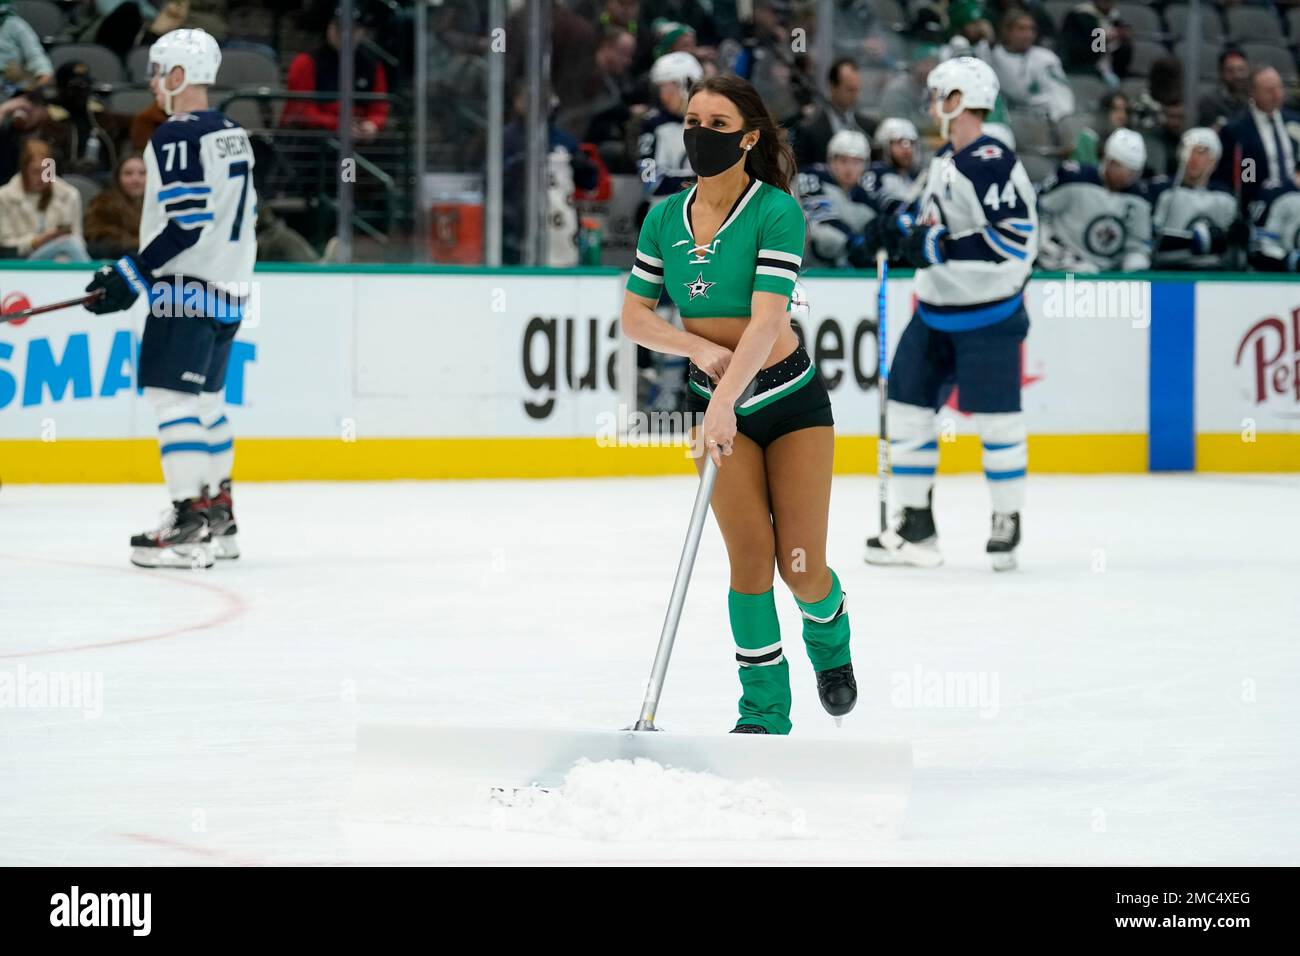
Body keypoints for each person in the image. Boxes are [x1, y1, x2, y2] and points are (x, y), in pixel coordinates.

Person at [620, 74, 855, 734]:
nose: (699, 134)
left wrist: (725, 401)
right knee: (750, 563)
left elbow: (764, 321)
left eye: (718, 125)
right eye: (693, 120)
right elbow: (635, 317)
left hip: (786, 402)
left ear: (749, 138)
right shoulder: (665, 216)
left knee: (801, 569)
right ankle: (764, 715)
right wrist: (693, 351)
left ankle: (831, 641)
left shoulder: (775, 210)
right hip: (713, 401)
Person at [81, 29, 257, 569]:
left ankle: (186, 523)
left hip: (188, 287)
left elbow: (187, 220)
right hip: (232, 289)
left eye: (159, 72)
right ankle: (219, 513)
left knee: (170, 399)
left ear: (178, 75)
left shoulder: (176, 134)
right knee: (206, 402)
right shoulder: (235, 133)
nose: (154, 83)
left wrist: (132, 272)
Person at [866, 57, 1038, 571]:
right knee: (907, 409)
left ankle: (1007, 518)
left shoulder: (990, 159)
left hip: (987, 316)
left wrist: (938, 247)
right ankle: (916, 524)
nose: (934, 102)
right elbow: (927, 221)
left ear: (961, 98)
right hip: (934, 311)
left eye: (942, 93)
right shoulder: (947, 157)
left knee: (997, 422)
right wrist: (894, 227)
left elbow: (1014, 237)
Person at [1037, 128, 1152, 272]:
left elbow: (1138, 243)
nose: (1129, 177)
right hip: (1065, 263)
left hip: (1108, 270)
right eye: (1124, 169)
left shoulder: (1139, 197)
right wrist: (1050, 244)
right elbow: (1038, 210)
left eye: (1134, 172)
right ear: (1109, 160)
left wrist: (1135, 259)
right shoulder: (1073, 177)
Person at [283, 7, 390, 142]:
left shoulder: (372, 65)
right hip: (313, 140)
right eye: (338, 28)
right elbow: (301, 110)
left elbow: (379, 108)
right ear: (330, 28)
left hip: (359, 139)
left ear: (363, 33)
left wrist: (372, 124)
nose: (344, 35)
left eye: (352, 30)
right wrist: (336, 125)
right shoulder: (306, 62)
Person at [1149, 128, 1240, 271]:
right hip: (1170, 270)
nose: (1193, 157)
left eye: (1201, 151)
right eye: (1188, 150)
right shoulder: (1162, 190)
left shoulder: (1225, 197)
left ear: (1214, 161)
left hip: (1214, 273)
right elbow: (1151, 239)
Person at [1213, 67, 1300, 212]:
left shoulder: (1295, 121)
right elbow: (1246, 179)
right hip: (1261, 202)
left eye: (1279, 87)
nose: (1277, 95)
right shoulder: (1237, 129)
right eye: (1269, 90)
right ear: (1252, 93)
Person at [796, 128, 880, 268]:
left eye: (856, 162)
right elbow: (823, 222)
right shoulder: (812, 177)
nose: (849, 168)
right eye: (843, 160)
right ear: (831, 160)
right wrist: (853, 242)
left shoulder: (863, 194)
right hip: (806, 268)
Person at [0, 139, 91, 261]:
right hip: (20, 261)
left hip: (59, 260)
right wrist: (37, 241)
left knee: (70, 243)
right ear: (24, 170)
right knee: (68, 243)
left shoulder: (68, 194)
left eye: (47, 171)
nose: (43, 177)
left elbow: (78, 239)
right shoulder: (4, 197)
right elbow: (5, 244)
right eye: (36, 171)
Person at [988, 9, 1074, 122]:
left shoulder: (1045, 58)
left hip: (1041, 121)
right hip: (1003, 120)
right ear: (1006, 31)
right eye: (1021, 29)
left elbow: (1061, 95)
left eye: (1031, 29)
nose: (1028, 34)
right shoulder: (991, 55)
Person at [638, 50, 700, 204]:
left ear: (687, 85)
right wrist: (697, 182)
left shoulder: (714, 124)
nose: (662, 96)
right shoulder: (653, 124)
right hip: (666, 213)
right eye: (660, 89)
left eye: (667, 89)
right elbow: (650, 180)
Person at [793, 58, 878, 168]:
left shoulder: (869, 128)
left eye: (857, 89)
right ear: (832, 86)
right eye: (849, 89)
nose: (855, 95)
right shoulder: (809, 130)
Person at [83, 152, 146, 258]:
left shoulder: (162, 206)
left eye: (142, 173)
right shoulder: (103, 204)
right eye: (128, 173)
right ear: (118, 177)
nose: (136, 179)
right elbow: (95, 241)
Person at [1199, 49, 1250, 131]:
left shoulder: (1254, 98)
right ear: (1221, 73)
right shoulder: (1209, 102)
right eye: (1230, 71)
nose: (1237, 75)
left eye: (1241, 70)